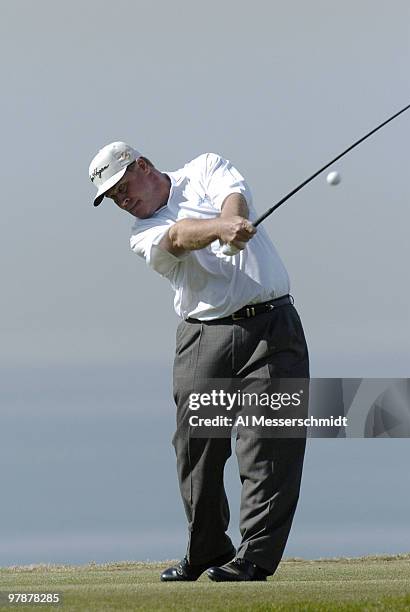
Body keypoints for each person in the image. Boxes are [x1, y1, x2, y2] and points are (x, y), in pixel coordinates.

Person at [88, 141, 310, 582]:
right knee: (197, 451)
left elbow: (233, 194)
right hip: (203, 338)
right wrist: (220, 230)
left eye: (122, 186)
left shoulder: (205, 167)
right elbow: (177, 236)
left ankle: (255, 558)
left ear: (143, 166)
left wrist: (232, 218)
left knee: (267, 445)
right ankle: (207, 548)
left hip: (273, 329)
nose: (122, 199)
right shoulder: (141, 233)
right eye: (113, 197)